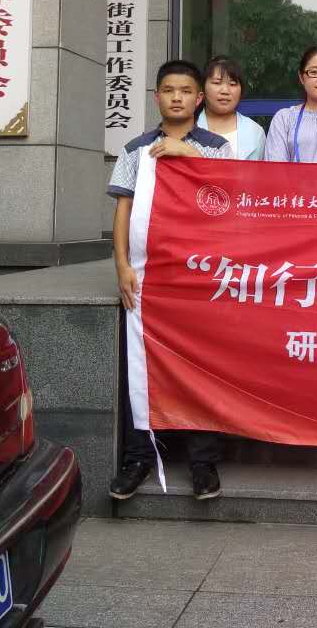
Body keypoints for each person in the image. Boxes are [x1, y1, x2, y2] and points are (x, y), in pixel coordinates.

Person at [106, 59, 232, 502]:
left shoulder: (217, 147)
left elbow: (228, 196)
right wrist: (122, 265)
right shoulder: (135, 149)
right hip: (148, 279)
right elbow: (123, 210)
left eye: (185, 91)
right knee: (141, 367)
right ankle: (138, 458)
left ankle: (203, 463)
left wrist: (188, 154)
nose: (177, 98)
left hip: (200, 279)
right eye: (169, 90)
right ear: (157, 96)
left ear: (199, 99)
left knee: (202, 366)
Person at [197, 54, 266, 160]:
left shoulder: (255, 132)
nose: (225, 91)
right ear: (203, 88)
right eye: (217, 83)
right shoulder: (188, 127)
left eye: (233, 84)